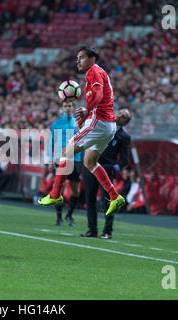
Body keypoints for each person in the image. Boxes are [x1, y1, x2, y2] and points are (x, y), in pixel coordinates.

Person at [38, 46, 125, 217]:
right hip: (108, 125)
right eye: (77, 58)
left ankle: (55, 195)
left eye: (82, 57)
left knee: (65, 152)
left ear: (92, 59)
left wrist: (87, 109)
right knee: (89, 162)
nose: (78, 61)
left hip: (99, 122)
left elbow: (98, 95)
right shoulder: (95, 73)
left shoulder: (94, 71)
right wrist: (84, 117)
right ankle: (114, 196)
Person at [81, 108, 131, 238]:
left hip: (107, 169)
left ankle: (108, 231)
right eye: (120, 112)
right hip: (91, 166)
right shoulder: (103, 125)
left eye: (124, 116)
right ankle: (92, 229)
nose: (120, 115)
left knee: (107, 200)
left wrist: (114, 168)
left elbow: (124, 159)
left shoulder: (124, 137)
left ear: (126, 122)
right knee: (90, 198)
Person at [46, 100, 82, 227]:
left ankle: (69, 215)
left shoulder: (78, 123)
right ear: (62, 108)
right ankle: (59, 217)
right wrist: (50, 159)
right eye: (65, 106)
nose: (68, 108)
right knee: (59, 189)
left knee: (76, 191)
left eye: (70, 106)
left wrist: (83, 159)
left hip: (76, 159)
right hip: (60, 159)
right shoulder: (56, 123)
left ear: (73, 108)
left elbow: (83, 141)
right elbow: (50, 142)